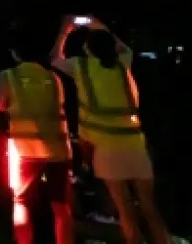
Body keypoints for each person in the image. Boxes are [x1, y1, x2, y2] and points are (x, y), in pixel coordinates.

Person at [51, 17, 172, 244]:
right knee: (150, 208)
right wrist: (99, 25)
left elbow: (55, 58)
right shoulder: (121, 64)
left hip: (106, 149)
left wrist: (65, 30)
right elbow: (122, 46)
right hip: (135, 144)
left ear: (87, 48)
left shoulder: (82, 67)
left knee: (124, 208)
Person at [0, 41, 75, 244]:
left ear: (15, 54)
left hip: (25, 148)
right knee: (61, 205)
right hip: (58, 148)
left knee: (21, 202)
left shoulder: (8, 75)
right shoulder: (53, 77)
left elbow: (0, 104)